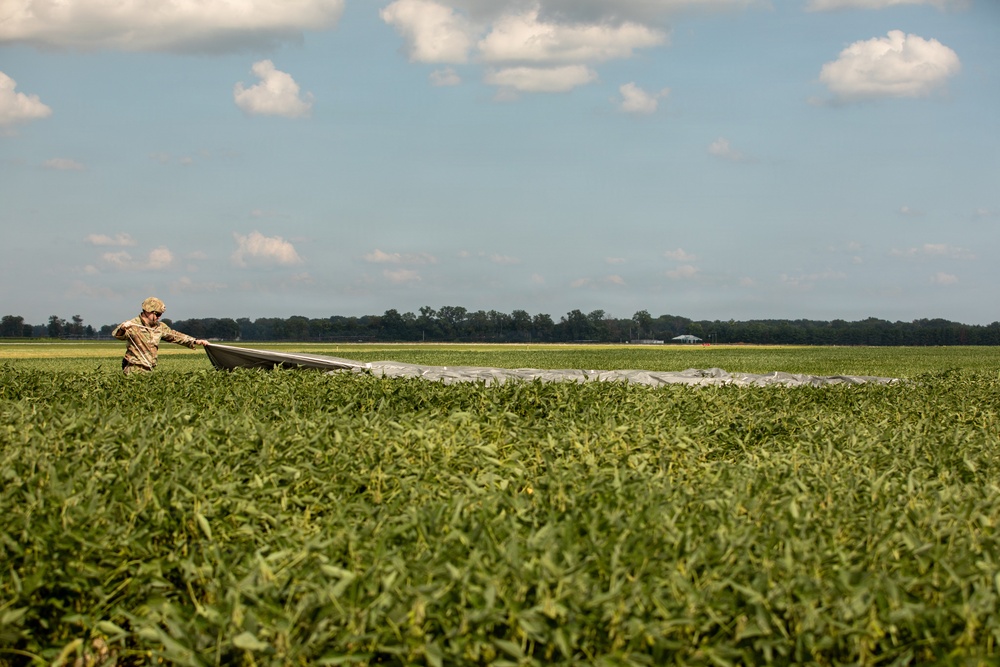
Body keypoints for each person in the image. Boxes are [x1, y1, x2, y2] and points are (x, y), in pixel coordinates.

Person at [113, 297, 209, 374]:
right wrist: (123, 328)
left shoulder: (160, 327)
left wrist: (195, 341)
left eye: (161, 315)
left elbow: (175, 336)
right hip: (133, 369)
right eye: (157, 314)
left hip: (149, 369)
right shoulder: (132, 324)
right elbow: (118, 335)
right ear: (148, 311)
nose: (159, 317)